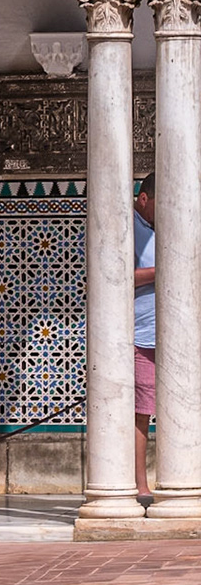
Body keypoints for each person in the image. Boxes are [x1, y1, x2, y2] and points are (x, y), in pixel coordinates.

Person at [136, 173, 157, 501]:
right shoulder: (126, 227)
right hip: (141, 336)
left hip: (178, 338)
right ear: (143, 198)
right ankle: (140, 487)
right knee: (141, 414)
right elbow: (113, 274)